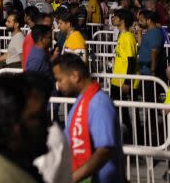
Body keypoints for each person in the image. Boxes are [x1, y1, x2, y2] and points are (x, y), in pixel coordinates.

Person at [53, 53, 123, 183]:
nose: (58, 85)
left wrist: (73, 178)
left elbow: (105, 150)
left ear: (75, 76)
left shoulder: (99, 103)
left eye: (60, 80)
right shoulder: (82, 101)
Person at [111, 8, 138, 104]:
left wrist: (127, 82)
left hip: (123, 81)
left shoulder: (128, 37)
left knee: (123, 113)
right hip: (117, 80)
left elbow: (131, 61)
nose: (113, 18)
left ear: (122, 20)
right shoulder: (121, 35)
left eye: (115, 17)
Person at [138, 9, 167, 88]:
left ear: (149, 21)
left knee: (150, 96)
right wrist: (139, 32)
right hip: (145, 70)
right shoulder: (148, 32)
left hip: (150, 72)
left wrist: (152, 70)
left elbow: (154, 52)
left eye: (141, 20)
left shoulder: (154, 32)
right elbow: (142, 46)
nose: (139, 22)